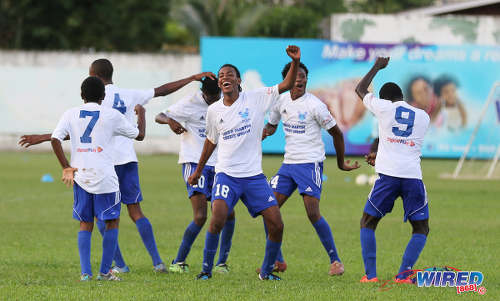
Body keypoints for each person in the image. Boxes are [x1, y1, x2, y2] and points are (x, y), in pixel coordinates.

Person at [19, 58, 215, 273]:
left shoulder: (91, 100)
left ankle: (119, 265)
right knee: (136, 212)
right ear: (111, 74)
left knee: (100, 216)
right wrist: (191, 78)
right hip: (127, 160)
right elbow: (162, 91)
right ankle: (157, 262)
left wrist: (45, 137)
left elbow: (82, 133)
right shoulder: (129, 94)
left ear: (92, 76)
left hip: (102, 163)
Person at [187, 45, 301, 281]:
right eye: (221, 76)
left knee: (277, 224)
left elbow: (287, 85)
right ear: (219, 85)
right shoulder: (213, 111)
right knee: (217, 218)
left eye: (229, 74)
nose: (224, 77)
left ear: (238, 81)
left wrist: (295, 62)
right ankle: (206, 271)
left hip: (254, 177)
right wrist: (198, 171)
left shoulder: (257, 98)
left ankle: (267, 272)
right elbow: (210, 141)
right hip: (226, 174)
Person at [262, 62, 360, 276]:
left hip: (310, 163)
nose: (299, 79)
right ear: (287, 80)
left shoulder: (315, 105)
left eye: (303, 75)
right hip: (288, 165)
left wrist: (341, 163)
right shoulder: (280, 101)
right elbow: (272, 125)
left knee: (312, 213)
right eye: (295, 76)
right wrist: (262, 132)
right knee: (267, 209)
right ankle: (277, 261)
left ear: (307, 78)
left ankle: (336, 261)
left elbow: (337, 134)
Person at [51, 76, 145, 281]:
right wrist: (142, 115)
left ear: (82, 95)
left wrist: (66, 166)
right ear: (103, 96)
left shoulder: (70, 113)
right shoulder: (111, 115)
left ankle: (85, 274)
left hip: (81, 175)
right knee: (112, 222)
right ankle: (104, 272)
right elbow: (139, 135)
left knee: (85, 223)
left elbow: (55, 138)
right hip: (105, 177)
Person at [355, 57, 430, 283]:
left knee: (367, 222)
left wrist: (377, 66)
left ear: (386, 100)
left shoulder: (383, 107)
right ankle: (404, 274)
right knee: (421, 228)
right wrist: (380, 151)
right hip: (412, 177)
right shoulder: (423, 116)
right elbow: (401, 138)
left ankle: (371, 276)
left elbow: (359, 89)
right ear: (403, 98)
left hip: (388, 176)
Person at [155, 77, 236, 274]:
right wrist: (171, 122)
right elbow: (159, 116)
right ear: (203, 93)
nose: (212, 100)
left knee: (228, 213)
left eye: (215, 96)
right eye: (209, 97)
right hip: (193, 162)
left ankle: (221, 263)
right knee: (200, 216)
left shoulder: (225, 103)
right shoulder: (190, 102)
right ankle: (178, 261)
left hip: (219, 165)